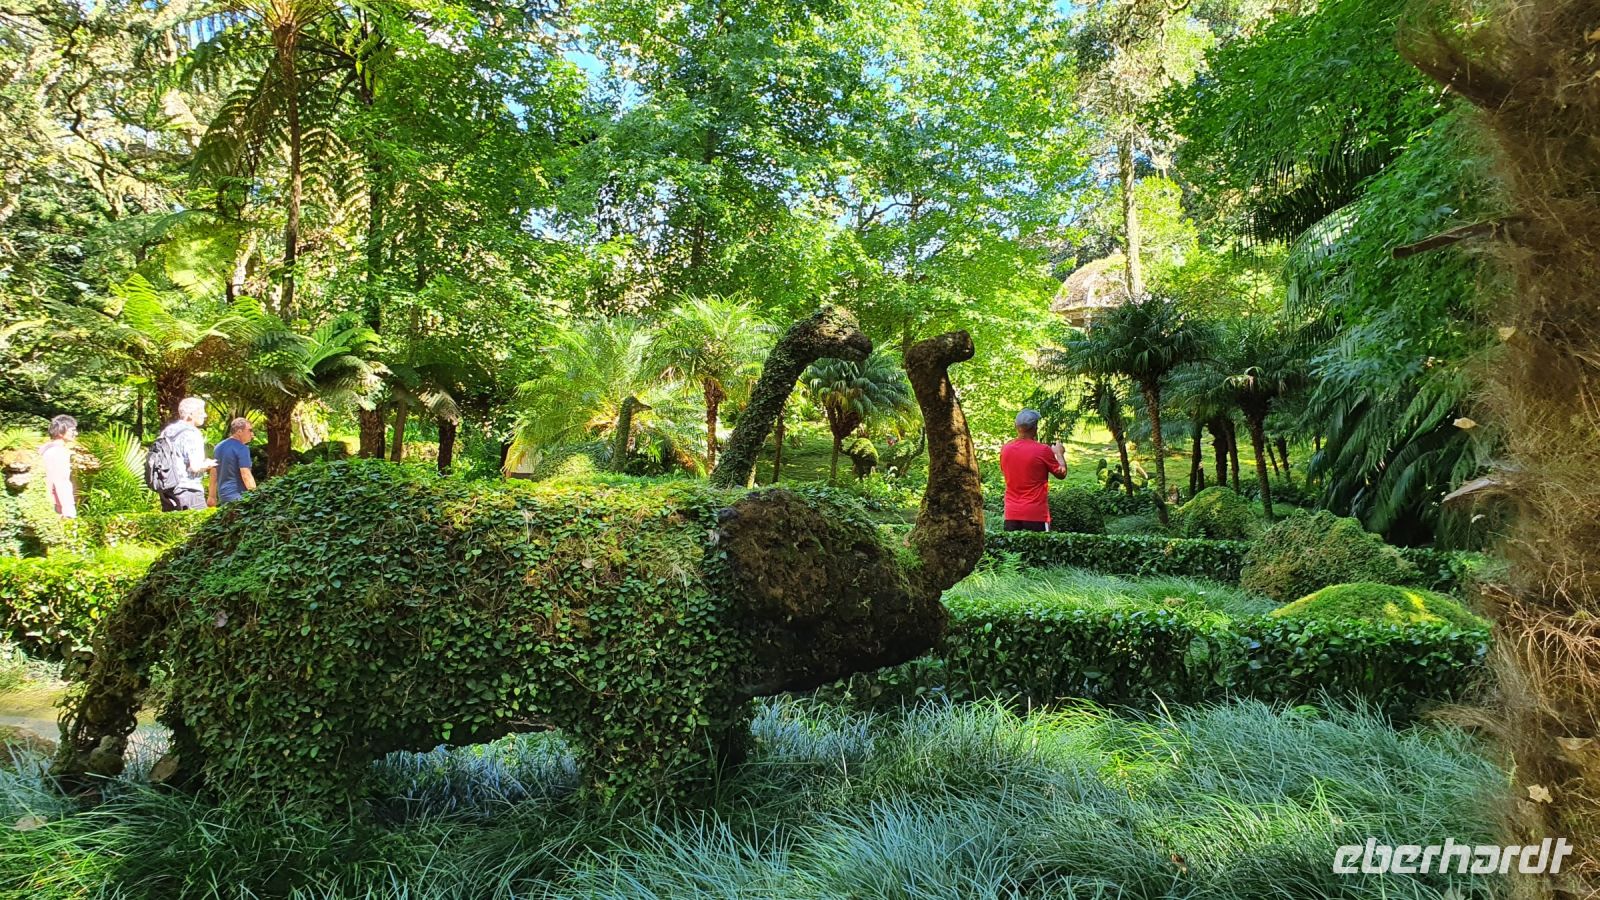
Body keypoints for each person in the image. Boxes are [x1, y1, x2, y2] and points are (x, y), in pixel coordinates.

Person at [999, 408, 1066, 532]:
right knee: (1040, 545)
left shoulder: (1005, 449)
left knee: (1012, 545)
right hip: (1036, 514)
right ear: (1035, 428)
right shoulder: (1043, 450)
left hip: (1011, 513)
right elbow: (1061, 473)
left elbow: (1004, 471)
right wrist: (1059, 453)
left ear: (1016, 427)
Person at [156, 397, 216, 512]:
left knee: (174, 522)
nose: (205, 415)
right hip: (189, 490)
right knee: (199, 522)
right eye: (201, 412)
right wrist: (208, 464)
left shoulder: (167, 431)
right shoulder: (192, 433)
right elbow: (195, 467)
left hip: (167, 489)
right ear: (191, 414)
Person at [209, 417, 257, 506]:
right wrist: (255, 496)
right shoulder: (242, 448)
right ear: (239, 431)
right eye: (250, 430)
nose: (252, 434)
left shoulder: (218, 447)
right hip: (239, 496)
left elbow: (214, 472)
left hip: (223, 496)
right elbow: (246, 474)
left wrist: (211, 496)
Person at [39, 415, 78, 519]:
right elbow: (62, 481)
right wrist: (69, 510)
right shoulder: (59, 452)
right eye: (72, 430)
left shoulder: (44, 450)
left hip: (43, 500)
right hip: (55, 505)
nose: (76, 434)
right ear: (61, 431)